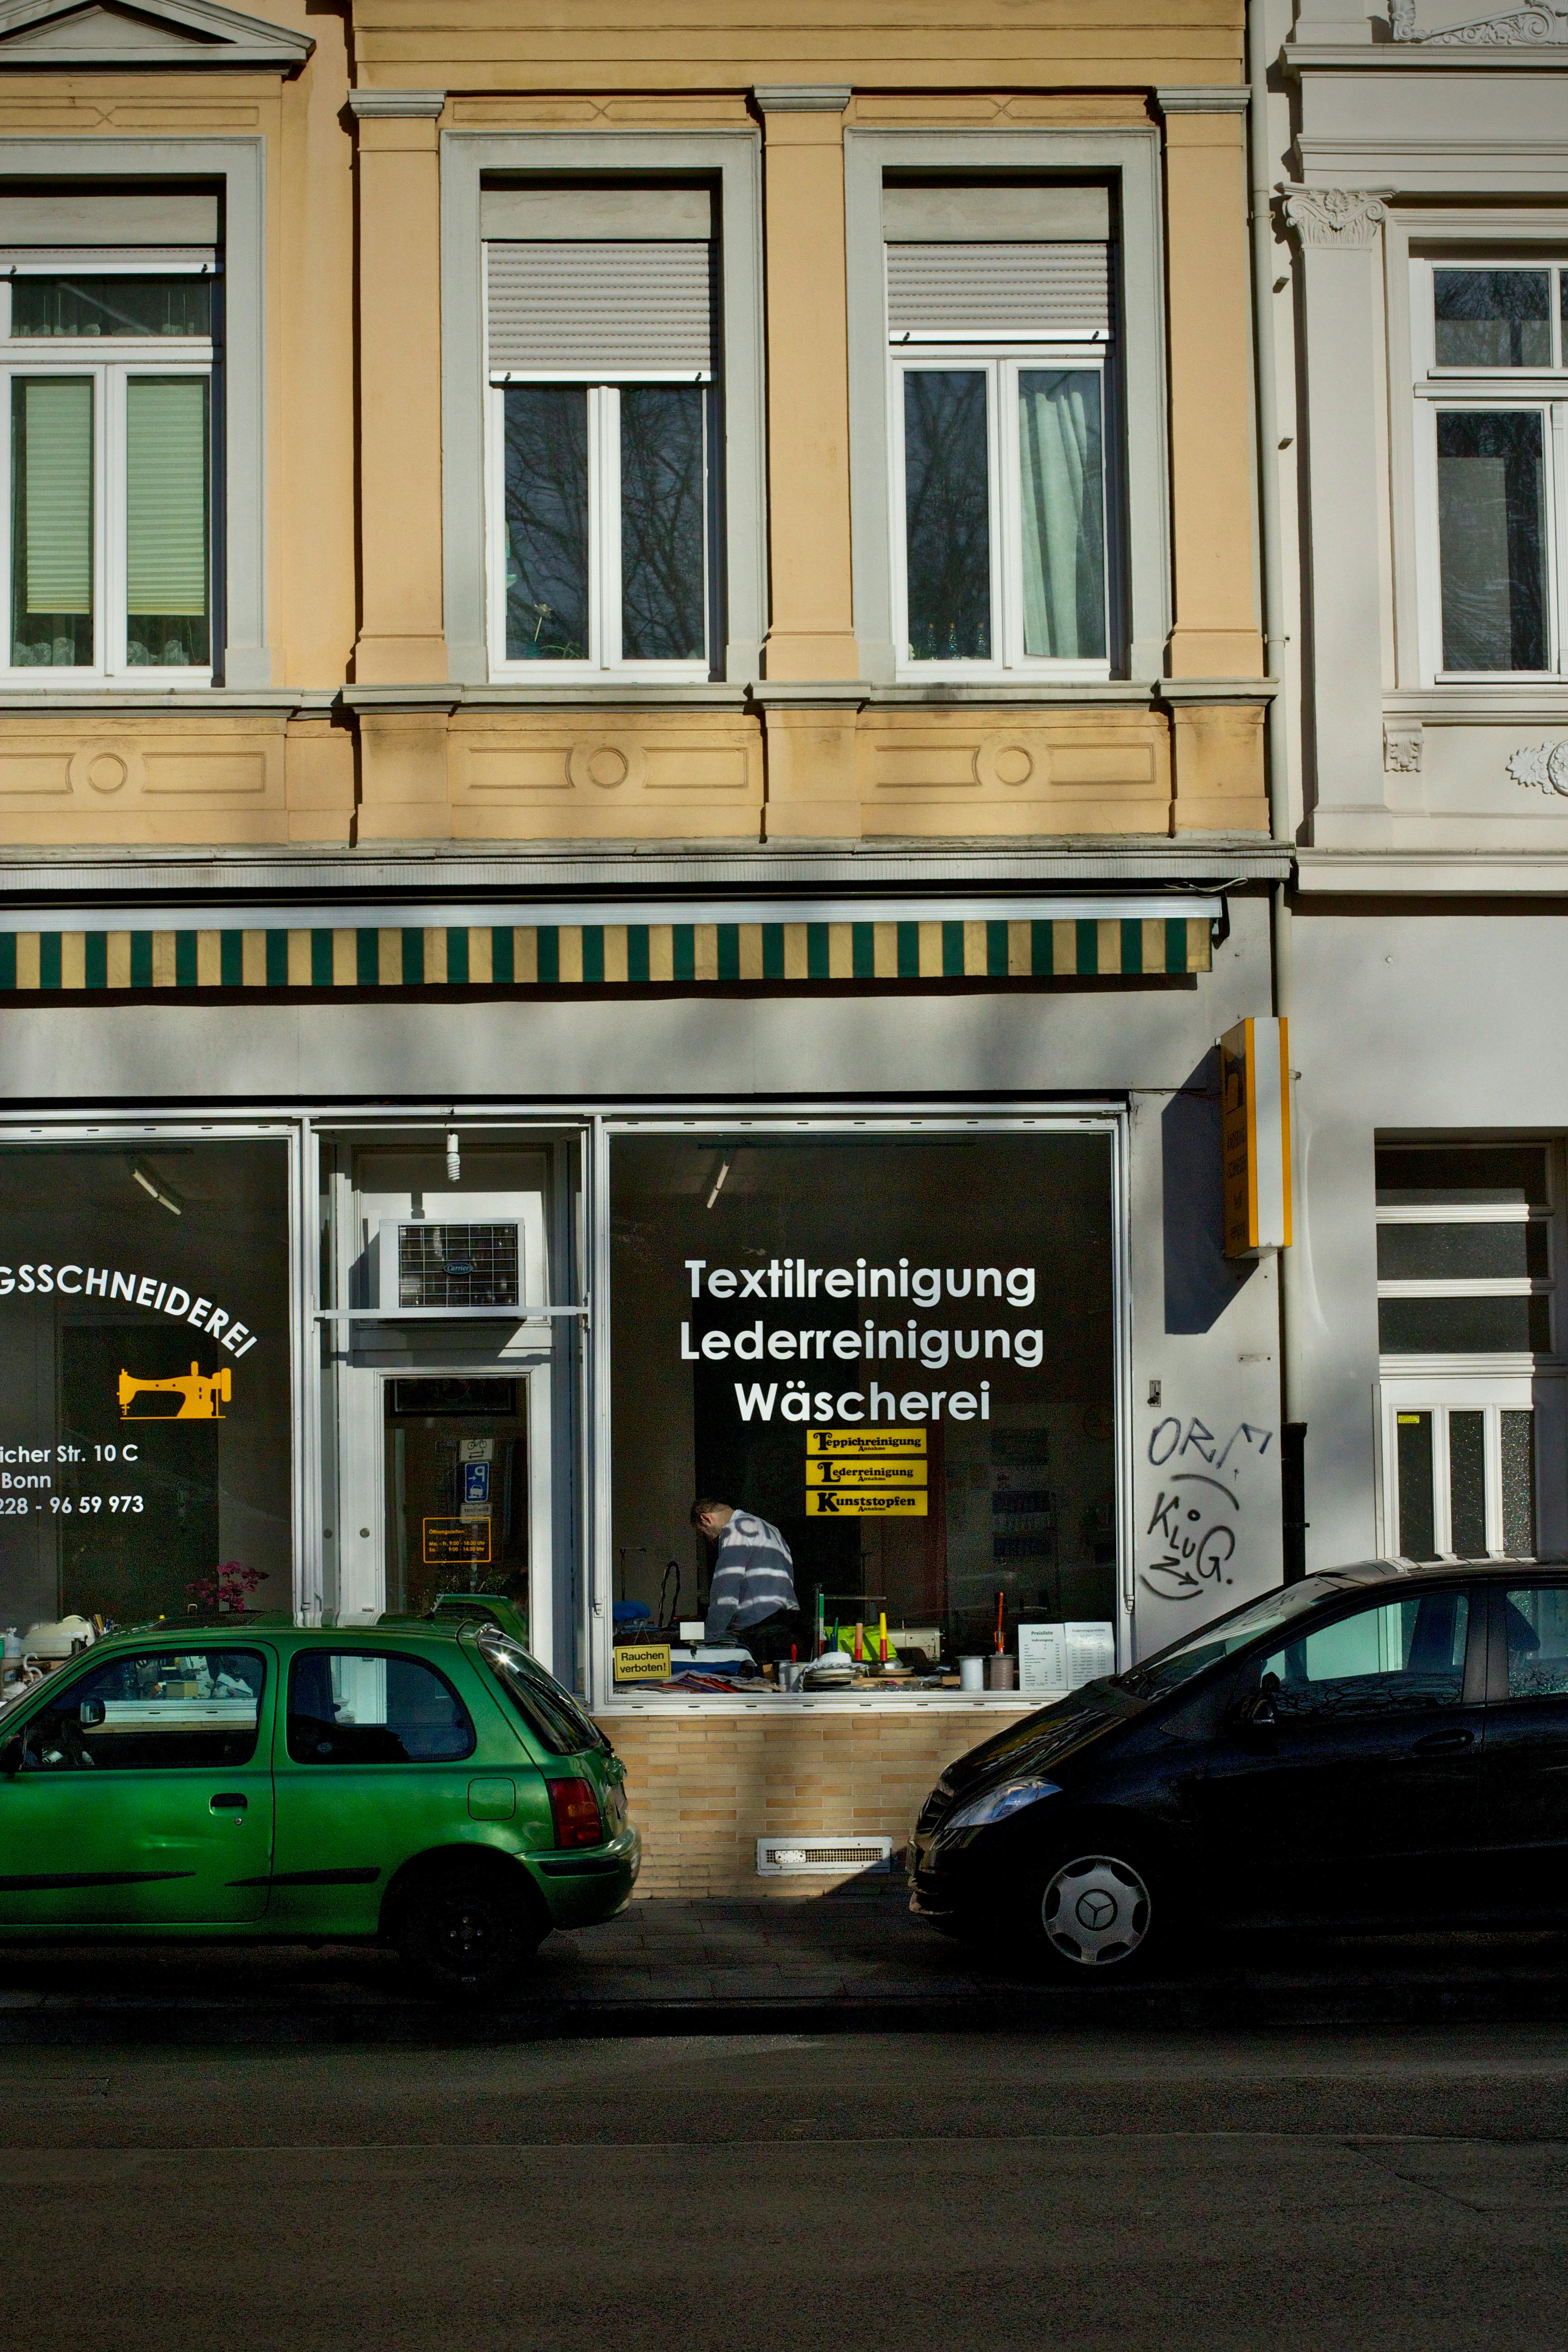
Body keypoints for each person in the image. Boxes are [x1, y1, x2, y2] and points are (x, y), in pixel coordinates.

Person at [692, 1497, 802, 1667]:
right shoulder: (770, 1528)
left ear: (706, 1519)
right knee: (781, 1678)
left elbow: (727, 1585)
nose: (709, 1540)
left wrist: (712, 1633)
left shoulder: (736, 1529)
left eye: (703, 1533)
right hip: (786, 1615)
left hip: (760, 1621)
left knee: (757, 1684)